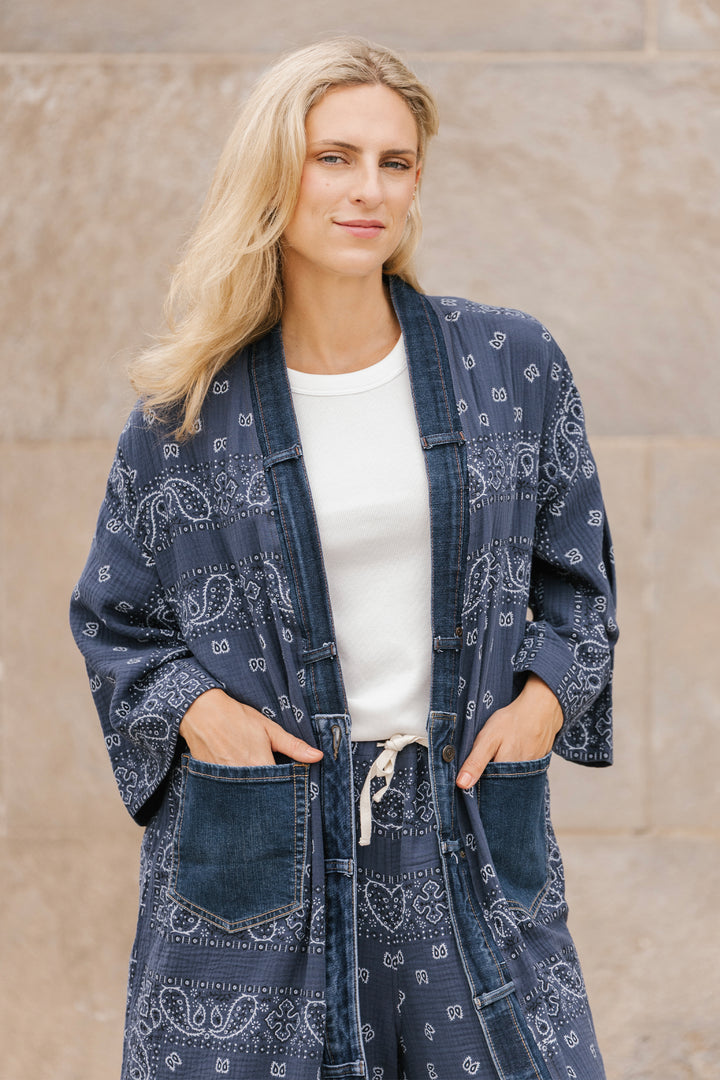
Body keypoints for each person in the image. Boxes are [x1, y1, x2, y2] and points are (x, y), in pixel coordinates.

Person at [70, 36, 617, 1080]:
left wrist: (541, 704)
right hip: (264, 831)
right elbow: (115, 618)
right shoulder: (188, 416)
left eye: (395, 162)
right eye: (334, 158)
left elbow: (578, 580)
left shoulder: (512, 365)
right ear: (276, 174)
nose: (368, 189)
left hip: (460, 818)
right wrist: (199, 712)